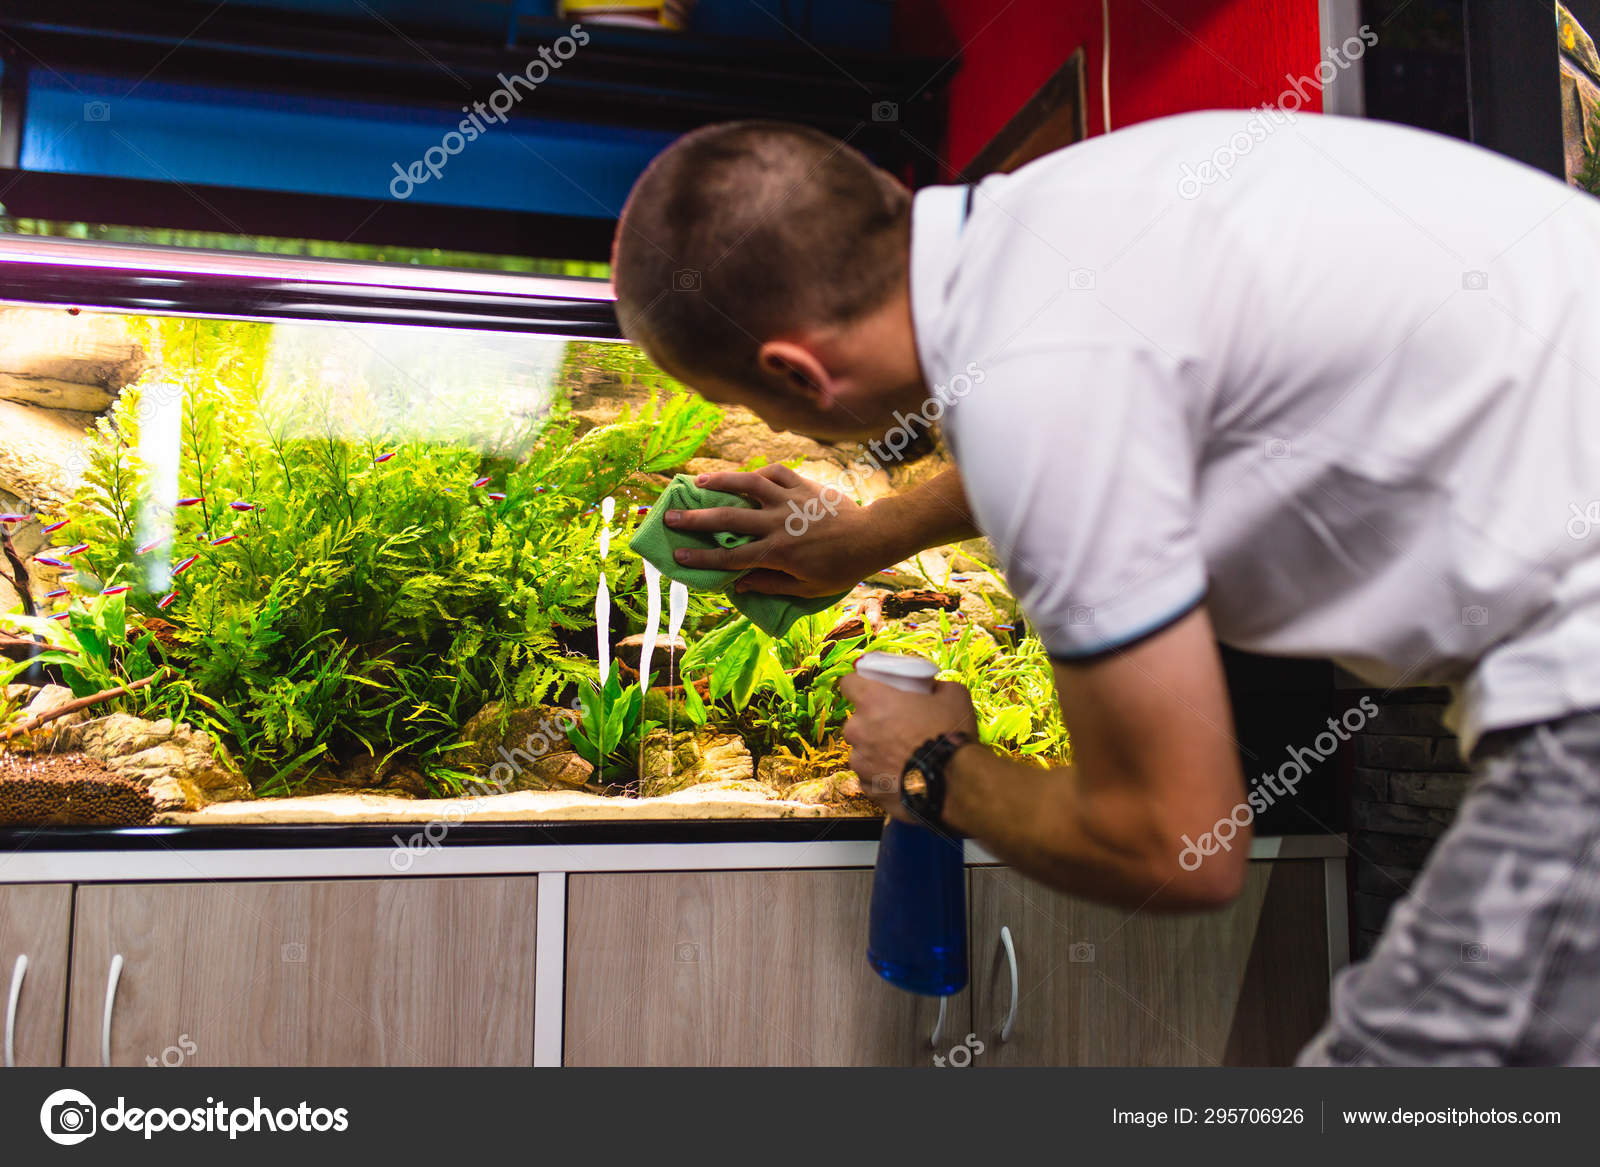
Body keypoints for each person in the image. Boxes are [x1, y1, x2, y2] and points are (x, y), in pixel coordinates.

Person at [608, 113, 1600, 1066]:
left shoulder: (1031, 393)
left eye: (739, 403)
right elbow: (1098, 418)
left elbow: (1179, 848)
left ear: (794, 372)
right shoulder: (1049, 228)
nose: (773, 431)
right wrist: (868, 537)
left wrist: (928, 767)